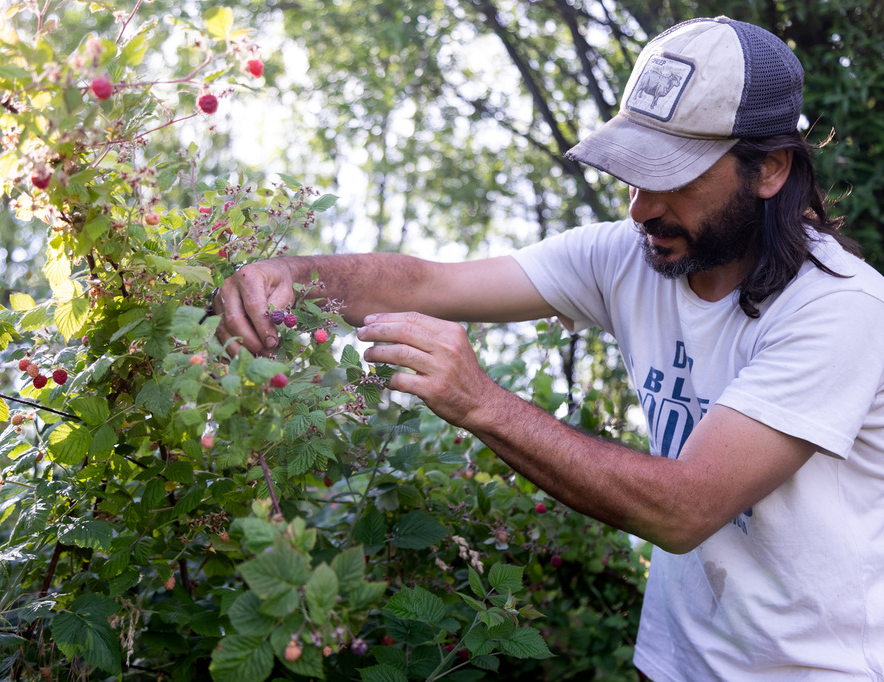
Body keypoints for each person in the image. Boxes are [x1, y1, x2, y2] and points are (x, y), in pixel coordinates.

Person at [216, 16, 884, 681]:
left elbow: (686, 509)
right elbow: (429, 284)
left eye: (672, 176)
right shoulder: (630, 257)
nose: (639, 208)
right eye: (633, 171)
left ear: (769, 169)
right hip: (676, 663)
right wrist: (295, 275)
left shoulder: (838, 309)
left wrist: (481, 402)